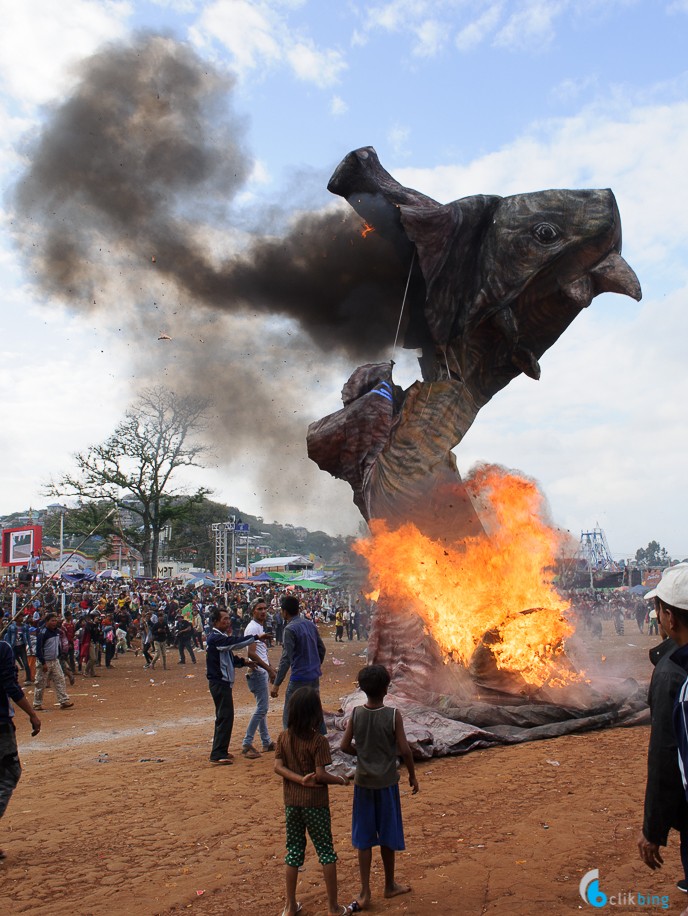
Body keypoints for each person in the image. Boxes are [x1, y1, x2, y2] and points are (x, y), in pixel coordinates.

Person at [340, 665, 418, 909]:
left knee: (364, 837)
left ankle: (364, 892)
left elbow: (344, 746)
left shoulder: (356, 714)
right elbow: (405, 749)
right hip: (386, 783)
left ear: (362, 689)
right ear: (386, 689)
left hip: (363, 783)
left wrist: (362, 755)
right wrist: (413, 775)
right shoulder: (393, 715)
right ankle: (389, 884)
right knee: (387, 833)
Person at [273, 686, 355, 916]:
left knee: (293, 853)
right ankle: (333, 907)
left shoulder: (283, 737)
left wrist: (299, 780)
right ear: (314, 714)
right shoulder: (318, 741)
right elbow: (320, 774)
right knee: (326, 852)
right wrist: (340, 780)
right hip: (316, 804)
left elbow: (278, 767)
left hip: (292, 803)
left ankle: (289, 906)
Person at [637, 563, 688, 893]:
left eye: (659, 608)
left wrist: (653, 829)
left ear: (669, 617)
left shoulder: (671, 674)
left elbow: (665, 755)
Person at [205, 607, 265, 765]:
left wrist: (244, 662)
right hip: (219, 682)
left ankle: (221, 750)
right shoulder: (215, 638)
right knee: (225, 717)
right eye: (224, 619)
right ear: (216, 622)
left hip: (222, 682)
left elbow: (229, 657)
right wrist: (256, 637)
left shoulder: (220, 638)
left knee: (224, 717)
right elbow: (234, 644)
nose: (227, 621)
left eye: (228, 618)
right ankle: (217, 754)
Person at [0, 638, 41, 859]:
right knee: (8, 774)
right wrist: (32, 714)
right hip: (1, 724)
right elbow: (10, 685)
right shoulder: (3, 648)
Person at [271, 595, 327, 732]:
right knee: (315, 708)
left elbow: (286, 659)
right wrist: (315, 665)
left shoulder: (289, 629)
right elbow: (322, 649)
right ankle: (323, 738)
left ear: (285, 612)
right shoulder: (310, 624)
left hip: (299, 678)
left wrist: (276, 684)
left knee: (289, 711)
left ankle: (288, 741)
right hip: (314, 676)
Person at [241, 598, 278, 759]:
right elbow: (251, 653)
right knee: (262, 708)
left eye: (264, 608)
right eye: (259, 609)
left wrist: (269, 667)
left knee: (262, 708)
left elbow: (261, 651)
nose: (263, 611)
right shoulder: (252, 628)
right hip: (257, 672)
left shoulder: (258, 627)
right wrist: (269, 669)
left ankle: (266, 741)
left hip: (260, 672)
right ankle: (247, 742)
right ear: (252, 611)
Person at [32, 613, 74, 710]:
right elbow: (39, 650)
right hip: (45, 661)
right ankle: (37, 704)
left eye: (55, 620)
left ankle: (63, 701)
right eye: (52, 621)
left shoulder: (56, 631)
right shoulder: (43, 633)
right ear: (47, 621)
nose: (55, 622)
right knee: (40, 682)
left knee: (60, 679)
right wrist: (43, 663)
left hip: (55, 660)